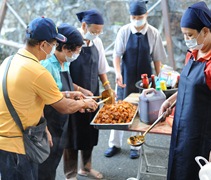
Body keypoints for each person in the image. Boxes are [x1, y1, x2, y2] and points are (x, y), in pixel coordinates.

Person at [0, 17, 98, 180]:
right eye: (53, 44)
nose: (54, 48)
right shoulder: (38, 71)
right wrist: (84, 102)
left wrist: (68, 94)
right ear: (43, 44)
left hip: (5, 141)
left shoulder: (9, 61)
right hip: (18, 146)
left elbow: (28, 98)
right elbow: (64, 107)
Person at [104, 0, 166, 159]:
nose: (137, 19)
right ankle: (114, 144)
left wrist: (158, 82)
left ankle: (135, 146)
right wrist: (118, 74)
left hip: (145, 81)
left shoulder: (153, 33)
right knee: (120, 109)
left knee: (142, 111)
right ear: (130, 16)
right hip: (126, 77)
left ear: (146, 15)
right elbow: (117, 56)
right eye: (134, 16)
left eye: (140, 16)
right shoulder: (124, 31)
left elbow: (157, 59)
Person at [159, 1, 211, 179]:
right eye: (184, 35)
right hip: (182, 129)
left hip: (201, 135)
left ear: (205, 31)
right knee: (177, 168)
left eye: (190, 35)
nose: (187, 39)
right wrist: (170, 101)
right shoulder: (193, 53)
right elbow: (186, 86)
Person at [38, 23, 92, 180]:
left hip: (62, 121)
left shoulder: (65, 62)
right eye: (77, 51)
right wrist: (81, 102)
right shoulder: (47, 65)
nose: (77, 54)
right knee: (45, 164)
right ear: (66, 49)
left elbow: (65, 86)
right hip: (50, 119)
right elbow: (50, 95)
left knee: (54, 160)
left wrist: (80, 90)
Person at [63, 9, 111, 180]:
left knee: (89, 132)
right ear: (84, 26)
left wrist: (107, 86)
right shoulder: (70, 42)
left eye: (99, 31)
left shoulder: (97, 43)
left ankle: (86, 167)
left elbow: (101, 68)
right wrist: (77, 92)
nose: (97, 34)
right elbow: (63, 71)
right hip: (72, 94)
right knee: (71, 135)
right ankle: (70, 174)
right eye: (94, 31)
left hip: (93, 94)